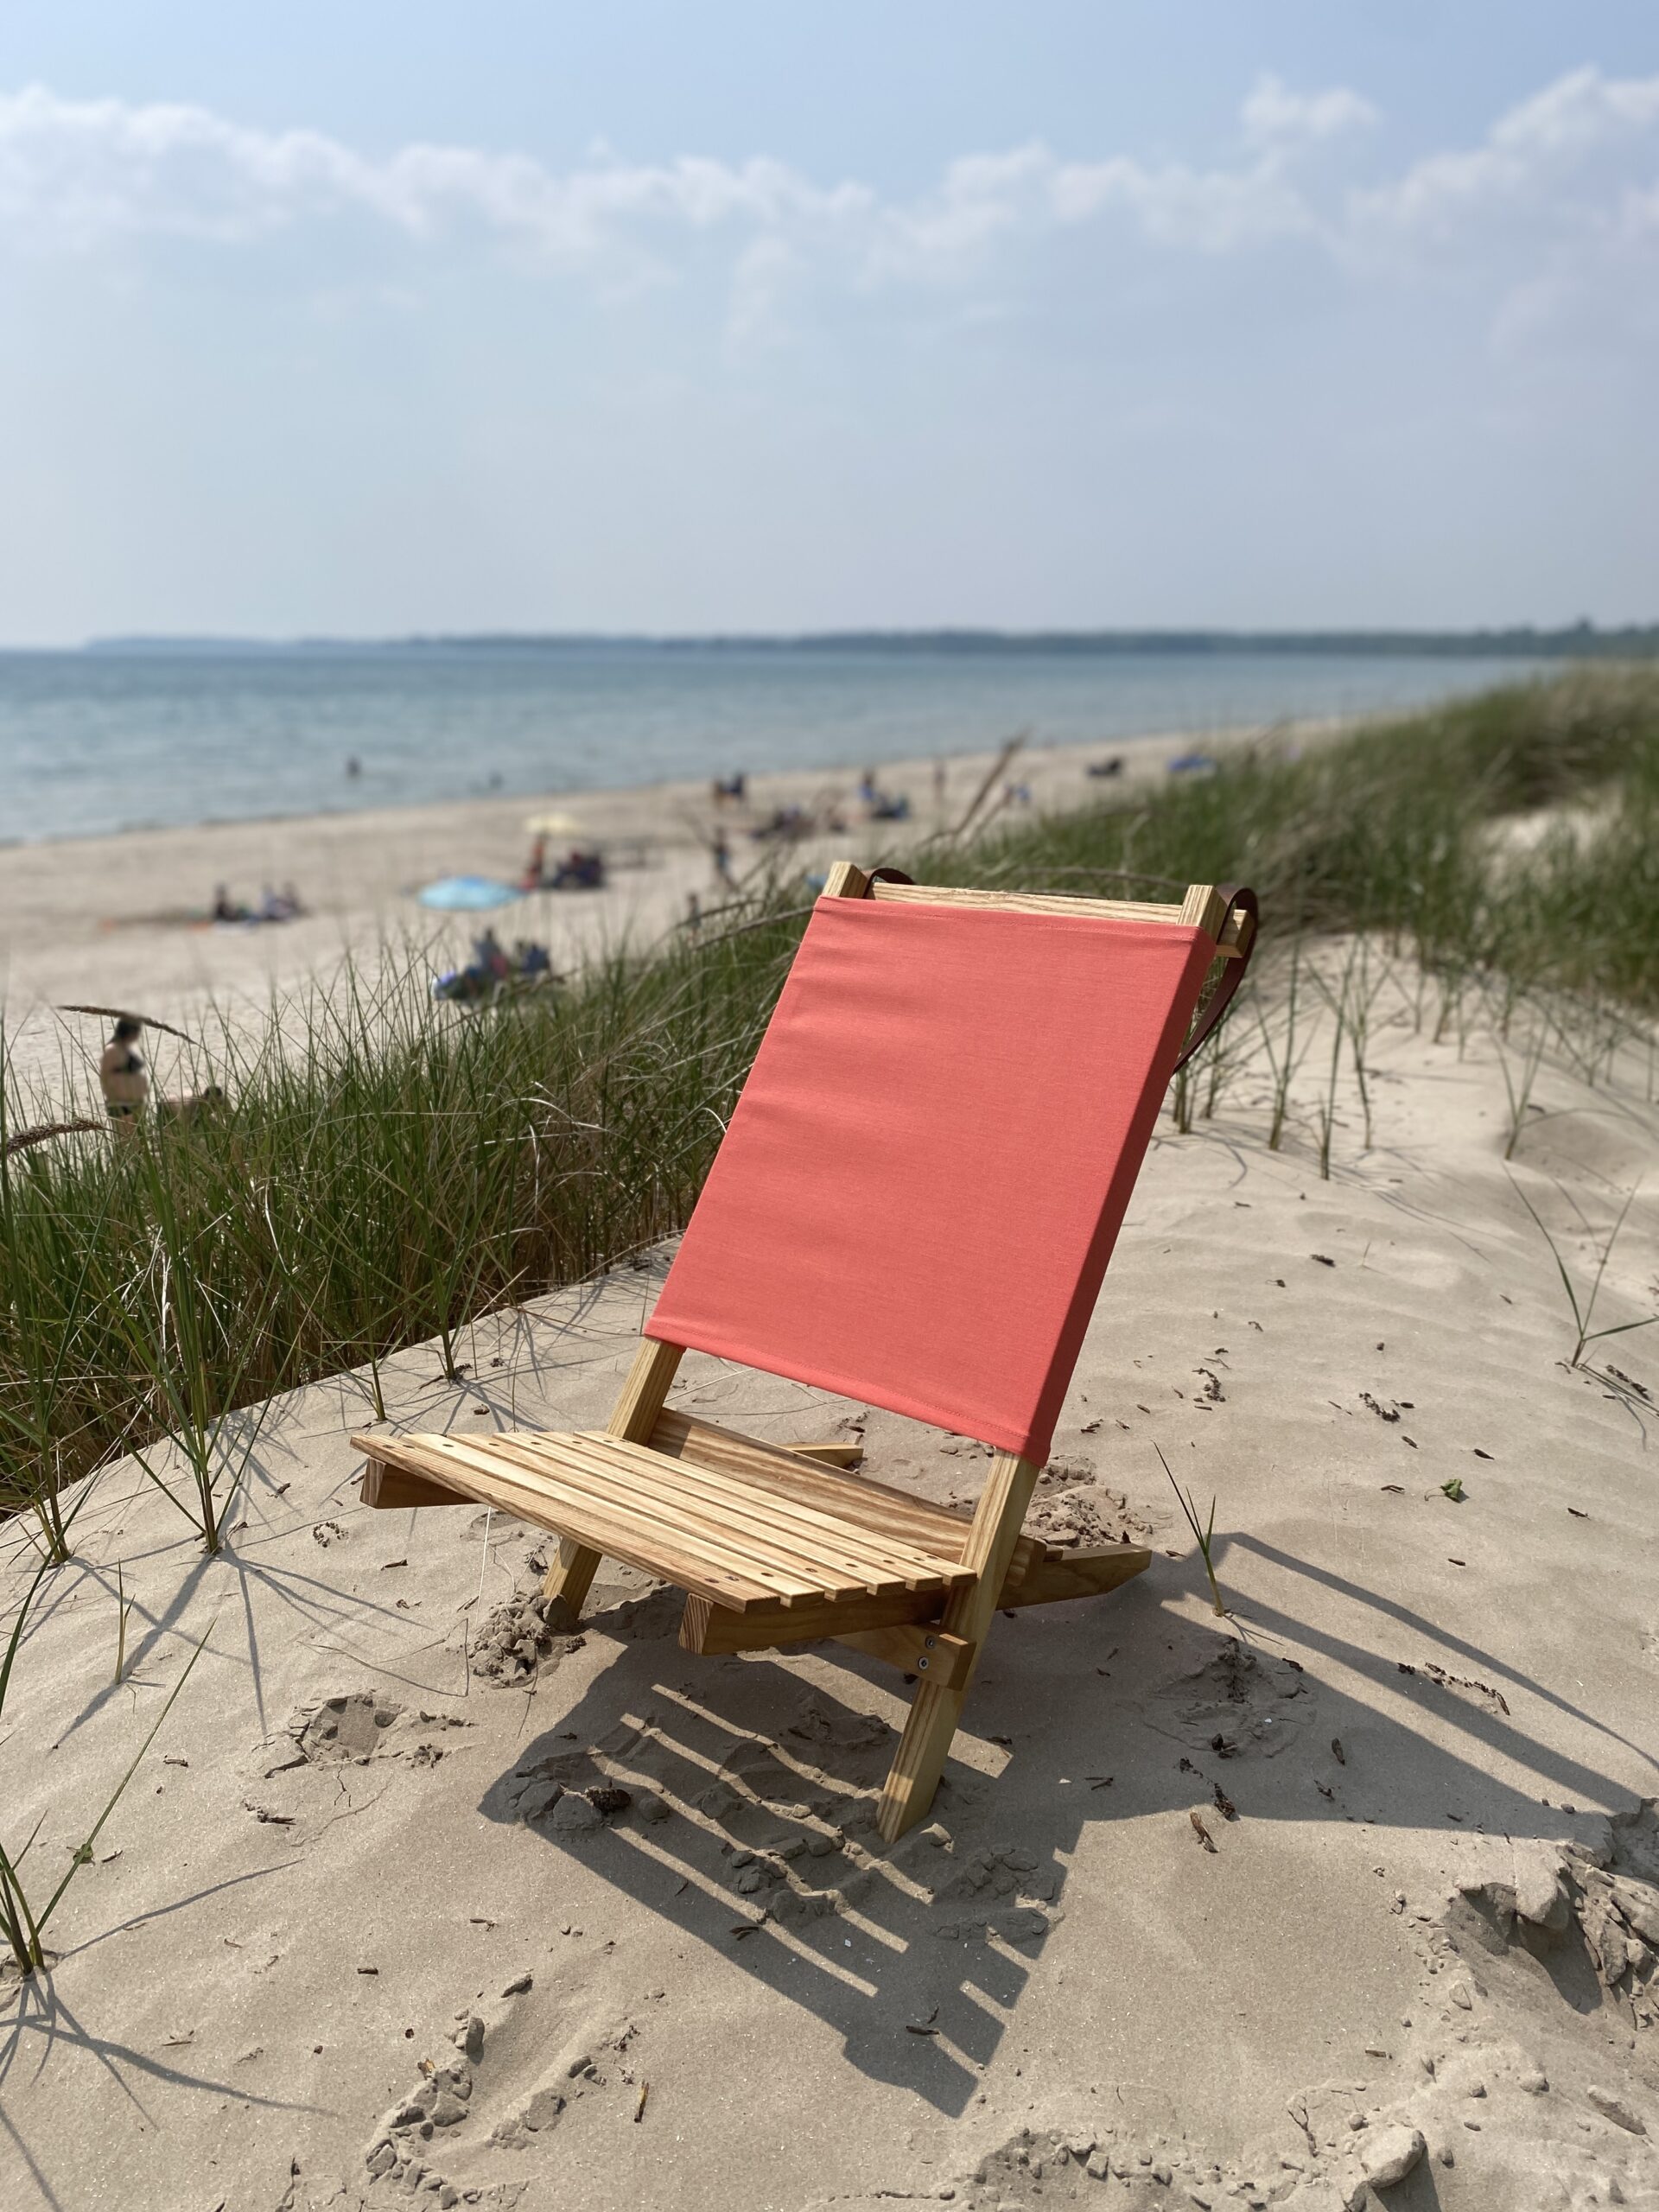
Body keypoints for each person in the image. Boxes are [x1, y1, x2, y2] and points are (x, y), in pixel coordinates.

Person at [99, 1016, 149, 1135]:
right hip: (122, 1104)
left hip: (137, 1103)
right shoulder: (112, 1049)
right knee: (127, 1141)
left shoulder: (128, 1049)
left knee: (140, 1140)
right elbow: (105, 1077)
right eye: (136, 1031)